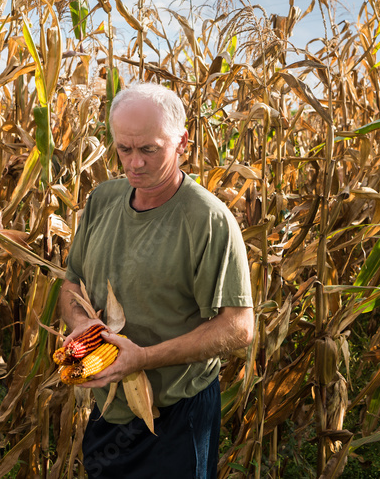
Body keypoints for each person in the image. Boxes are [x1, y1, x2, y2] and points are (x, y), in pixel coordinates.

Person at [59, 82, 254, 479]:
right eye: (124, 149)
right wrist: (82, 326)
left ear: (182, 142)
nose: (134, 163)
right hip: (108, 410)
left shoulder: (208, 220)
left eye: (149, 149)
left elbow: (239, 327)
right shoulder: (102, 200)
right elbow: (71, 284)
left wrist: (143, 358)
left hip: (176, 414)